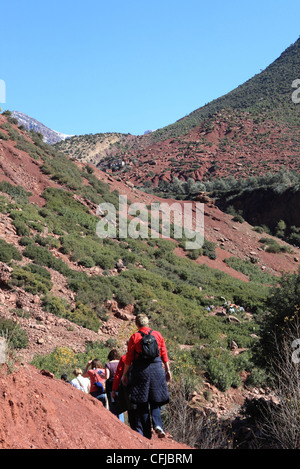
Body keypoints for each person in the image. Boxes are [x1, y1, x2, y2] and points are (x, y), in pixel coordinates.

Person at [121, 313, 172, 440]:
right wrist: (168, 369)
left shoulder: (135, 336)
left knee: (142, 402)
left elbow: (129, 358)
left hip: (141, 371)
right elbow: (164, 352)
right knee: (156, 400)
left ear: (137, 324)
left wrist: (124, 374)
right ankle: (158, 425)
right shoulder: (157, 334)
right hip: (156, 369)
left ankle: (146, 435)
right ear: (147, 323)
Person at [104, 349, 124, 422]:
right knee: (121, 404)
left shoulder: (108, 364)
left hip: (111, 385)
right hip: (121, 384)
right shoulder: (121, 362)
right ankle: (122, 422)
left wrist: (101, 376)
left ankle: (114, 422)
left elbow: (107, 376)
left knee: (112, 404)